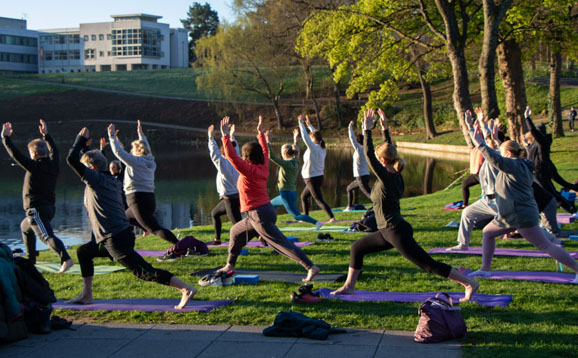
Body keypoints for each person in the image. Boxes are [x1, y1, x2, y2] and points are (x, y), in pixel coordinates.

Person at [332, 109, 479, 301]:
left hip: (395, 231)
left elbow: (368, 153)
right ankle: (349, 287)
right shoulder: (394, 173)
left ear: (382, 161)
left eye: (378, 159)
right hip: (387, 230)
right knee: (357, 248)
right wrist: (384, 129)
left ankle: (469, 283)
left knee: (427, 265)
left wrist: (367, 130)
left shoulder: (386, 178)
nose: (375, 161)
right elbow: (389, 150)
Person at [65, 127, 196, 308]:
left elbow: (71, 160)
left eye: (87, 169)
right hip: (114, 235)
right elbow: (91, 162)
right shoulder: (110, 179)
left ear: (92, 169)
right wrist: (86, 148)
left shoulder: (98, 181)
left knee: (143, 272)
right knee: (83, 252)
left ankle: (185, 288)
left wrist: (80, 139)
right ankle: (86, 295)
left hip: (115, 239)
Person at [465, 121, 578, 283]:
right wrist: (496, 140)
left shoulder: (514, 166)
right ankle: (485, 269)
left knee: (545, 246)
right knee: (488, 233)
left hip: (520, 214)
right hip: (509, 214)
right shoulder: (520, 163)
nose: (501, 155)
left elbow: (496, 159)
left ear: (509, 155)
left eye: (503, 153)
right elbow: (499, 155)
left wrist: (480, 142)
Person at [215, 116, 320, 283]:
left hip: (259, 215)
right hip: (258, 213)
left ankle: (310, 266)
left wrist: (225, 136)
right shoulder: (262, 167)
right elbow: (265, 151)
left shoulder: (248, 171)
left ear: (247, 156)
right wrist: (261, 134)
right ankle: (229, 265)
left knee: (280, 243)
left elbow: (232, 157)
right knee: (235, 231)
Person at [1, 121, 74, 273]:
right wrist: (46, 135)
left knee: (46, 236)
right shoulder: (53, 165)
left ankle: (66, 259)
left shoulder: (34, 166)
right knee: (25, 228)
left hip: (36, 211)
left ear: (33, 154)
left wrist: (5, 138)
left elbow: (16, 155)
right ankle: (31, 259)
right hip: (48, 209)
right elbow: (55, 151)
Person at [108, 120, 179, 245]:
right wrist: (141, 134)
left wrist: (112, 136)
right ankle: (119, 246)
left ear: (136, 152)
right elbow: (145, 148)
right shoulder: (150, 160)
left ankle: (180, 245)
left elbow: (118, 152)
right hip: (147, 199)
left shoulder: (136, 162)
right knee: (122, 220)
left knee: (154, 229)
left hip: (137, 200)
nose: (131, 152)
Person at [266, 128, 322, 230]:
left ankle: (316, 223)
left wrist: (268, 141)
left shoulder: (286, 164)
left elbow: (271, 156)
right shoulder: (296, 160)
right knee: (271, 205)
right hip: (291, 193)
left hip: (286, 194)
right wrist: (295, 139)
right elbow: (296, 149)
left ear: (284, 154)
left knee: (296, 215)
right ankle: (271, 225)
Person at [524, 106, 578, 214]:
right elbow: (533, 153)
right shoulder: (535, 143)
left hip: (541, 172)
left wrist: (527, 118)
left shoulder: (543, 141)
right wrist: (527, 145)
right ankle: (569, 208)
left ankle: (572, 210)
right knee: (551, 191)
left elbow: (534, 132)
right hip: (539, 171)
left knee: (552, 193)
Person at [207, 123, 242, 246]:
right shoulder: (237, 160)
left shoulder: (224, 164)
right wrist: (230, 136)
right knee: (215, 214)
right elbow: (235, 149)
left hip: (231, 198)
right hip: (232, 197)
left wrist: (211, 138)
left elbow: (214, 154)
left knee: (238, 225)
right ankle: (217, 239)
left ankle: (260, 236)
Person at [298, 115, 336, 222]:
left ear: (314, 139)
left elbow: (305, 137)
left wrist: (301, 124)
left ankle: (331, 217)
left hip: (312, 178)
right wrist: (309, 125)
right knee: (303, 197)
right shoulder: (322, 147)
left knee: (318, 199)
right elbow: (316, 135)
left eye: (312, 137)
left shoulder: (313, 147)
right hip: (318, 177)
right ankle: (305, 217)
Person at [344, 119, 371, 212]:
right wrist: (364, 125)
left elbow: (351, 138)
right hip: (364, 176)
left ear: (357, 141)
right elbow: (366, 135)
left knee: (370, 195)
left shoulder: (359, 149)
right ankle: (349, 206)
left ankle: (383, 205)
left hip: (361, 177)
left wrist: (350, 126)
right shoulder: (366, 148)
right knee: (349, 188)